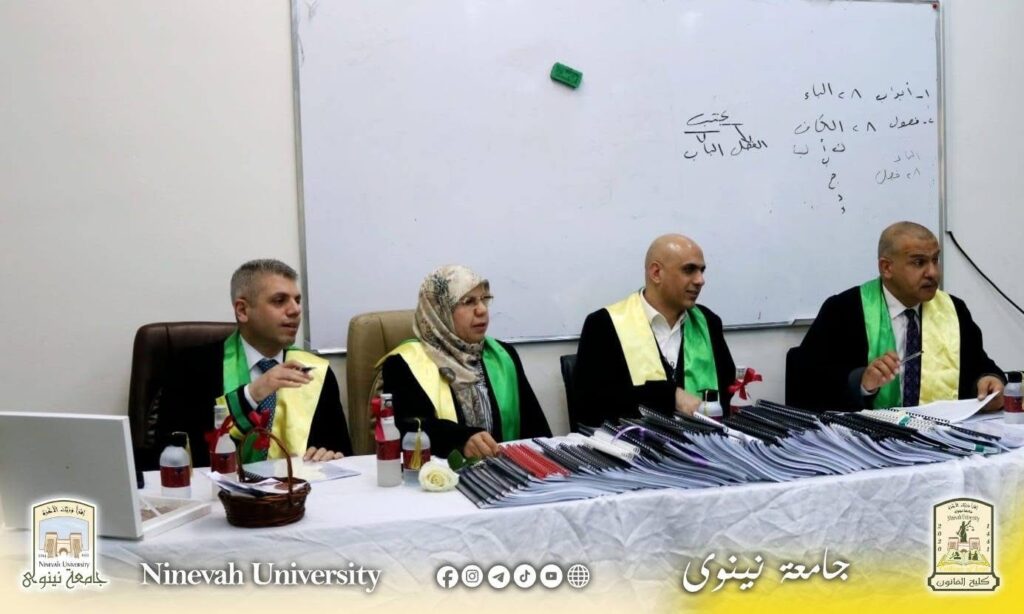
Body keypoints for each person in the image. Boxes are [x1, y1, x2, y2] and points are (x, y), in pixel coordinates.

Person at [155, 259, 353, 468]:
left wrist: (329, 456)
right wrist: (251, 395)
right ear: (242, 310)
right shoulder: (191, 368)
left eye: (297, 300)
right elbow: (174, 454)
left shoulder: (315, 372)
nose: (295, 310)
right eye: (279, 301)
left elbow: (342, 453)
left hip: (298, 486)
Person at [796, 221, 1004, 411]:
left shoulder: (954, 310)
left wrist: (987, 381)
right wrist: (862, 383)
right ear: (887, 268)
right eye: (919, 262)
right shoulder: (844, 310)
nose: (932, 272)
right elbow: (808, 383)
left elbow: (979, 367)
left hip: (937, 434)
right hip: (869, 435)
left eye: (935, 260)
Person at [374, 265, 551, 458]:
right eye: (468, 302)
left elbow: (536, 431)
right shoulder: (404, 364)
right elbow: (407, 428)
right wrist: (459, 439)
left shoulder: (503, 356)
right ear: (439, 310)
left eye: (485, 299)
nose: (482, 310)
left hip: (507, 470)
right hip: (441, 473)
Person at [573, 234, 737, 426]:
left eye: (702, 270)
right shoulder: (604, 325)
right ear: (656, 273)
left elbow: (725, 395)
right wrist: (670, 397)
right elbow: (591, 408)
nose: (700, 280)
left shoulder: (708, 323)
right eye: (689, 270)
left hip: (700, 440)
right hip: (633, 441)